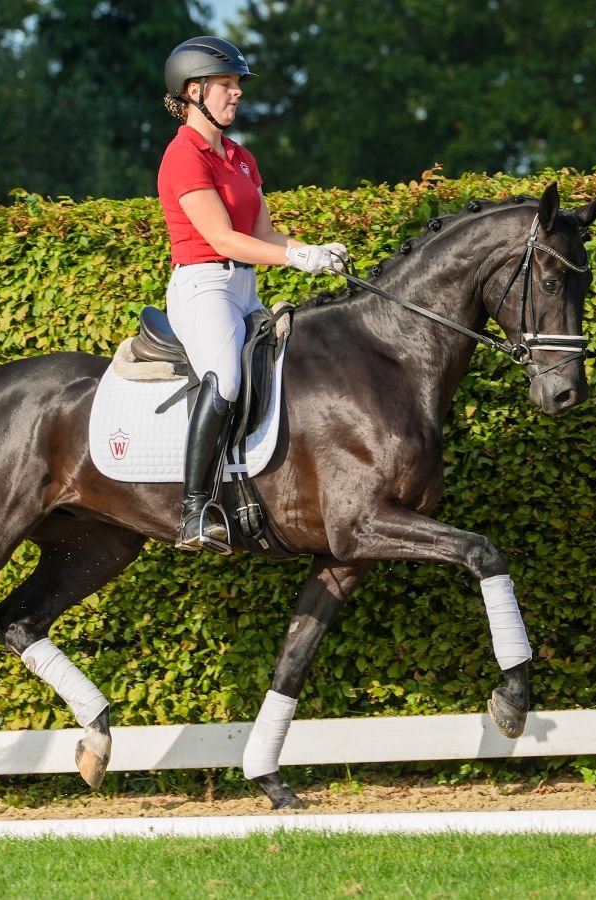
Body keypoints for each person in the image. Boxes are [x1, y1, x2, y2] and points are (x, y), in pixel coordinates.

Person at [159, 35, 349, 552]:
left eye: (237, 85)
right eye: (226, 85)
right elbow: (220, 237)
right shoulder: (183, 156)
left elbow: (264, 235)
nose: (236, 94)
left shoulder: (240, 156)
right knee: (224, 378)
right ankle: (194, 512)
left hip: (245, 287)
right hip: (205, 287)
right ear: (194, 91)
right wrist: (296, 258)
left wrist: (314, 250)